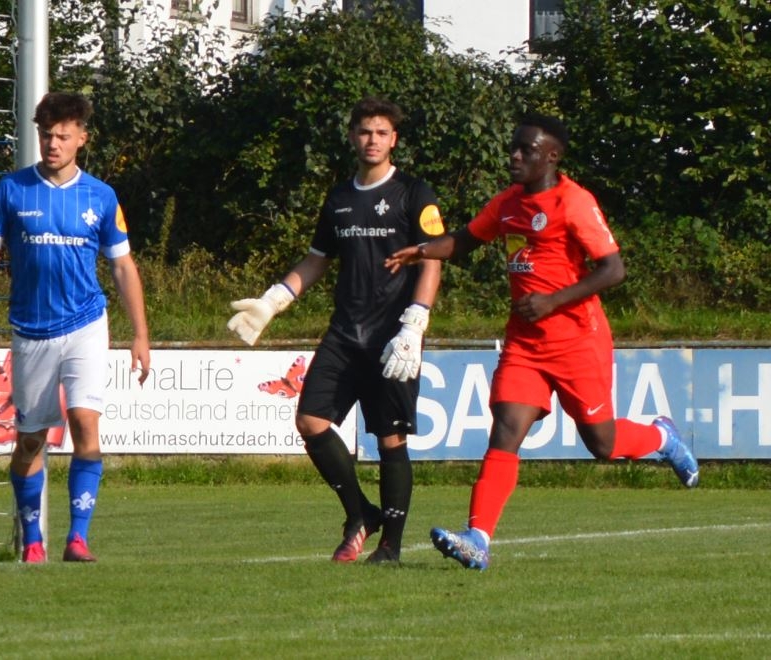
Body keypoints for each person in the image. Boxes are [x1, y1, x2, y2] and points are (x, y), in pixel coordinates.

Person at [384, 113, 699, 571]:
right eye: (513, 147)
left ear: (551, 156)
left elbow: (613, 269)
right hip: (525, 344)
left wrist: (553, 301)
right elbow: (466, 241)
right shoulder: (507, 203)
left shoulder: (574, 202)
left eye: (525, 150)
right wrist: (423, 249)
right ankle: (478, 539)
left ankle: (661, 437)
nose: (514, 156)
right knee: (506, 429)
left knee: (602, 443)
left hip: (577, 341)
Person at [227, 97, 444, 564]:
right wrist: (273, 300)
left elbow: (432, 260)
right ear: (352, 137)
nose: (372, 140)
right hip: (345, 333)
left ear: (394, 140)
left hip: (394, 336)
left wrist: (416, 321)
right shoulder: (340, 198)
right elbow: (316, 260)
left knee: (390, 439)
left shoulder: (414, 193)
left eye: (381, 133)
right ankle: (360, 513)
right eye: (364, 132)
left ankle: (390, 548)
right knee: (309, 421)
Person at [0, 91, 150, 564]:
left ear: (82, 138)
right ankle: (33, 540)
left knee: (84, 421)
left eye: (62, 135)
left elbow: (123, 266)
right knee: (31, 439)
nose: (52, 143)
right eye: (46, 135)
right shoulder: (13, 189)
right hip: (31, 329)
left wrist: (140, 334)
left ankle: (77, 539)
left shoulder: (100, 196)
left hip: (85, 323)